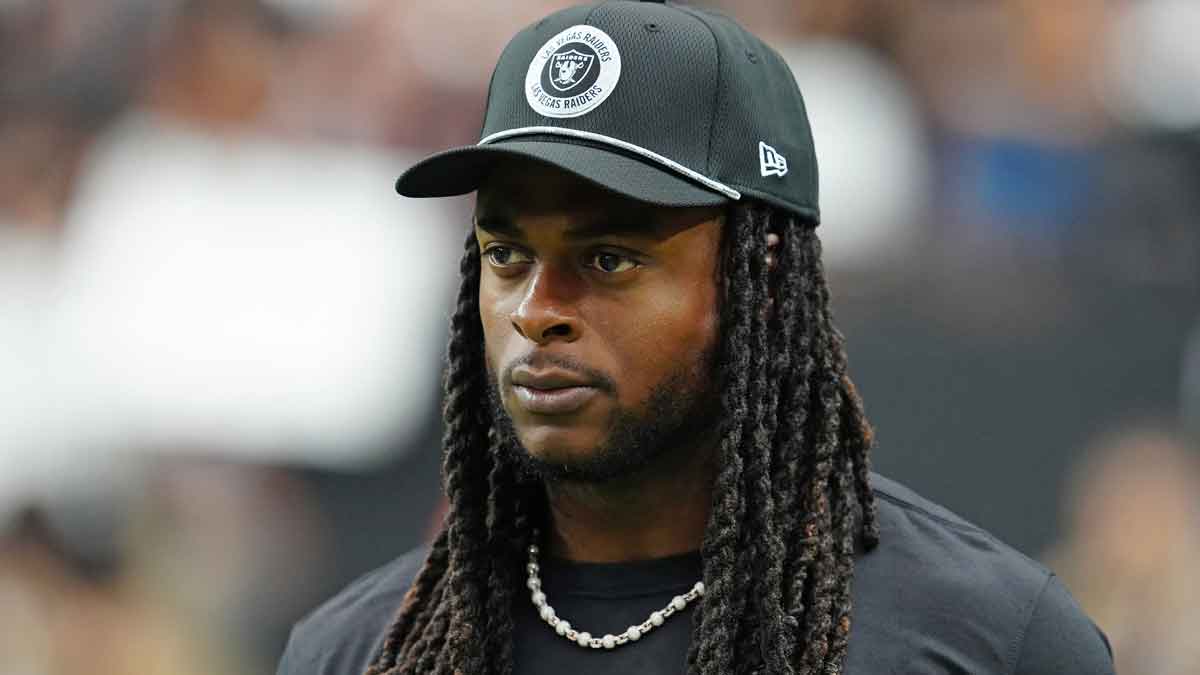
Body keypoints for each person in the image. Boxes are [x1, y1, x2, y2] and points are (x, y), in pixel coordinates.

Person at [276, 2, 1114, 673]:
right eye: (506, 254)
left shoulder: (992, 639)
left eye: (608, 258)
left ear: (767, 277)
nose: (538, 308)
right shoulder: (357, 650)